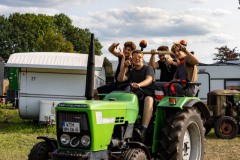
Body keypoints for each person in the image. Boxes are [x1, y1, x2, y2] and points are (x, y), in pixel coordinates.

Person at [118, 50, 155, 141]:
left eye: (139, 57)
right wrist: (124, 67)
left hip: (147, 94)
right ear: (132, 60)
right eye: (135, 58)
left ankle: (143, 129)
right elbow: (120, 79)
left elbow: (149, 79)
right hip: (135, 95)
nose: (137, 59)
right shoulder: (132, 71)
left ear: (142, 58)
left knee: (148, 99)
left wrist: (139, 85)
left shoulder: (148, 68)